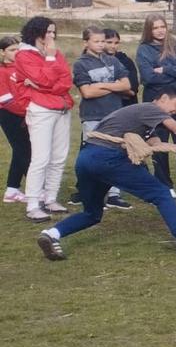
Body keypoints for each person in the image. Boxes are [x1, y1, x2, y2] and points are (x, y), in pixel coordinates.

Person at [35, 85, 176, 261]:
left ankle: (51, 234)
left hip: (86, 159)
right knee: (161, 193)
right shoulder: (150, 108)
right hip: (108, 157)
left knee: (92, 214)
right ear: (164, 98)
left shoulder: (142, 118)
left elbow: (157, 144)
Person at [14, 15, 75, 221]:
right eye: (47, 32)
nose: (51, 36)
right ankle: (32, 204)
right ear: (36, 32)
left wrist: (45, 85)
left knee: (59, 156)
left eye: (53, 32)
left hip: (62, 107)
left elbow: (65, 81)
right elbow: (45, 79)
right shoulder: (24, 56)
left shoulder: (55, 53)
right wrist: (49, 61)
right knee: (41, 158)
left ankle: (50, 198)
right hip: (41, 109)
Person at [71, 26, 135, 211]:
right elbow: (87, 92)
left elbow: (127, 85)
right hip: (93, 115)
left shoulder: (112, 60)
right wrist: (113, 85)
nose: (100, 45)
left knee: (115, 153)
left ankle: (114, 194)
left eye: (102, 41)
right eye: (96, 41)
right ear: (86, 42)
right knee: (94, 155)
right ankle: (92, 193)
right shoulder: (81, 64)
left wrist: (101, 85)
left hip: (114, 114)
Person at [137, 14, 176, 195]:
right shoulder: (144, 50)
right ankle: (164, 184)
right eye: (155, 28)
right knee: (159, 143)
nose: (160, 31)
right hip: (156, 104)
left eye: (162, 26)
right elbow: (149, 77)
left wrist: (166, 69)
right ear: (149, 30)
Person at [0, 36, 32, 204]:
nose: (16, 53)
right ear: (2, 52)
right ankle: (36, 190)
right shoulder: (2, 71)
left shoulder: (21, 69)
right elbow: (5, 100)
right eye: (12, 50)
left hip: (24, 113)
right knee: (24, 151)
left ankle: (12, 190)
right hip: (9, 114)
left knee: (20, 150)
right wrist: (26, 111)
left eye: (18, 49)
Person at [103, 28, 140, 111]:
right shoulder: (94, 61)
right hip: (102, 108)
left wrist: (104, 86)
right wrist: (118, 86)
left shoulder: (126, 61)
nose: (113, 46)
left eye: (116, 43)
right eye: (109, 42)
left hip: (125, 107)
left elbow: (132, 90)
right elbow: (89, 91)